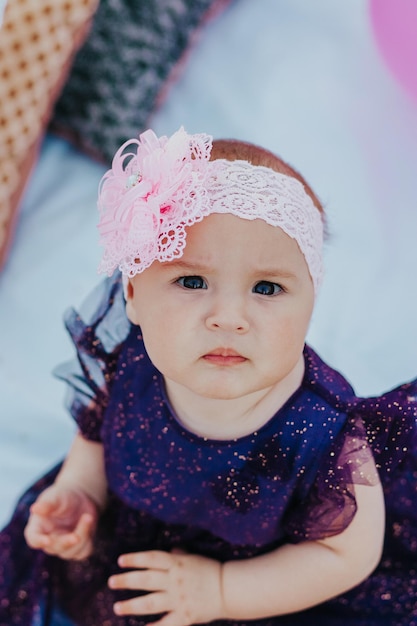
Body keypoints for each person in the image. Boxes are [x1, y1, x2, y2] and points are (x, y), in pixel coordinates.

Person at [0, 126, 416, 626]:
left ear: (311, 302)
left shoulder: (324, 432)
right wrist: (81, 490)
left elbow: (347, 556)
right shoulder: (132, 359)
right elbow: (97, 429)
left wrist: (220, 593)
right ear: (133, 294)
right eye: (192, 280)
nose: (229, 316)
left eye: (267, 288)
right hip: (132, 548)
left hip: (255, 586)